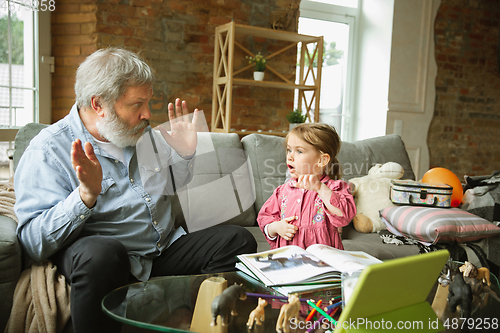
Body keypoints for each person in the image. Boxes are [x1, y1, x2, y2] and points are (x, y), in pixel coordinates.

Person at [14, 47, 257, 333]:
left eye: (148, 103)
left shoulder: (144, 135)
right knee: (100, 254)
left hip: (162, 250)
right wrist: (84, 197)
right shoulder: (48, 150)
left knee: (238, 241)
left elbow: (170, 187)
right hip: (108, 259)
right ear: (99, 104)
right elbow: (32, 242)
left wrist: (184, 156)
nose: (147, 114)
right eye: (136, 104)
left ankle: (195, 323)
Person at [257, 123, 356, 250]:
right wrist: (276, 227)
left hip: (323, 261)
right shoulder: (282, 191)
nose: (290, 156)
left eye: (299, 151)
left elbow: (343, 216)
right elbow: (264, 219)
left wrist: (320, 188)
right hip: (288, 259)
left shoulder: (335, 188)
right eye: (289, 150)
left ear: (322, 160)